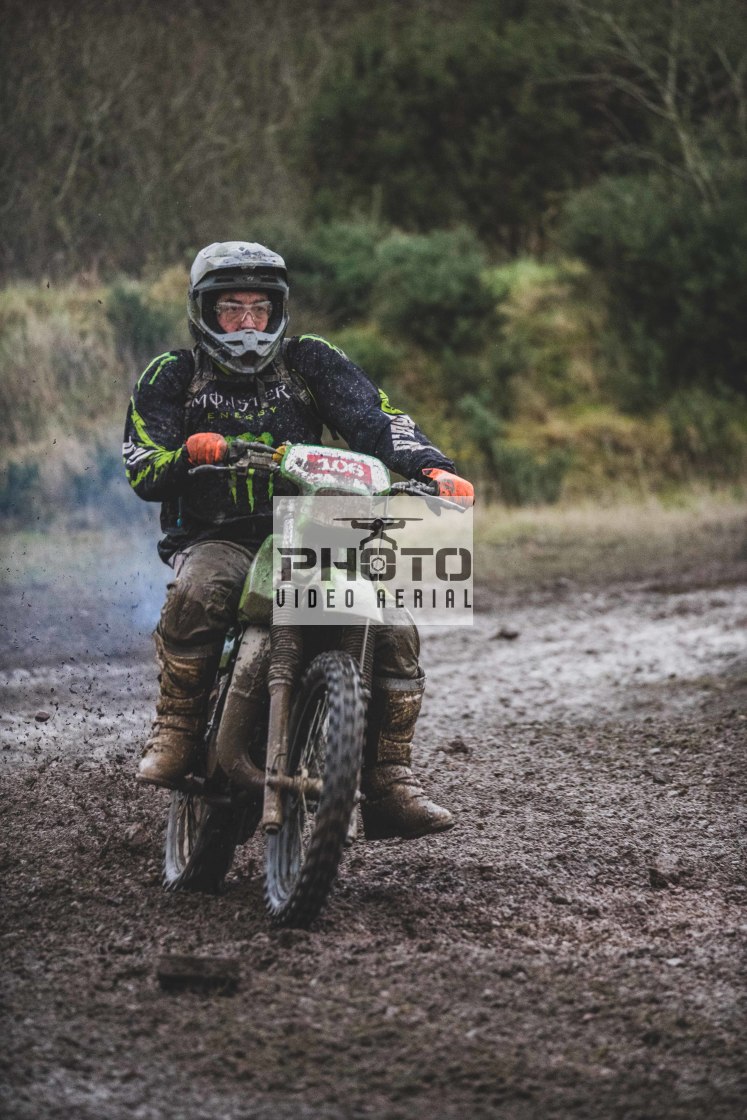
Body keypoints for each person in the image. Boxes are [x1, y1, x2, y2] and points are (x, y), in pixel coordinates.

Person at [123, 241, 474, 839]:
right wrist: (186, 454)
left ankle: (390, 781)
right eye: (231, 309)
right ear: (203, 312)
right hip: (219, 536)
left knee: (394, 627)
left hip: (317, 527)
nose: (248, 323)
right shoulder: (173, 375)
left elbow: (378, 420)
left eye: (260, 308)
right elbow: (142, 464)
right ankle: (178, 731)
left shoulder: (311, 362)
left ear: (279, 309)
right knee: (199, 591)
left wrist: (433, 468)